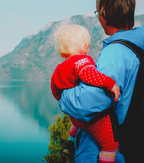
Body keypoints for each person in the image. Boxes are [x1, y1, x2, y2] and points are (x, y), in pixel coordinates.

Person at [58, 0, 144, 163]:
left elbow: (90, 102)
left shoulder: (115, 53)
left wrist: (62, 95)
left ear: (103, 16)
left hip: (101, 149)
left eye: (97, 13)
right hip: (131, 143)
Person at [51, 24, 121, 163]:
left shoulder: (59, 69)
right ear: (84, 45)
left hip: (75, 118)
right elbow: (89, 74)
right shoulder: (82, 60)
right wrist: (110, 83)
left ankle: (70, 142)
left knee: (76, 123)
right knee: (110, 145)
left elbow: (55, 90)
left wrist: (66, 103)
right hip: (92, 122)